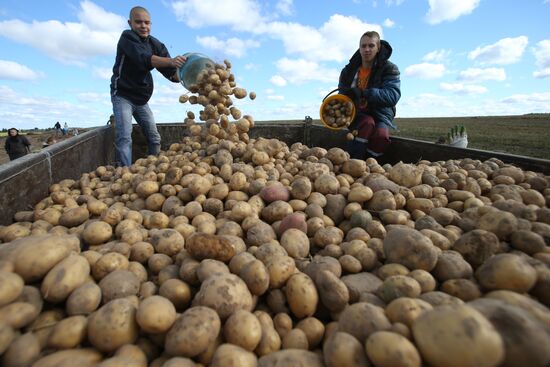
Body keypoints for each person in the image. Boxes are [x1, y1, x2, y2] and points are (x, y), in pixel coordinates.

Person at [110, 6, 187, 167]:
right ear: (130, 23)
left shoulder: (155, 44)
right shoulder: (127, 38)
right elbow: (144, 58)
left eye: (147, 23)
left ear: (151, 24)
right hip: (123, 95)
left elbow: (171, 72)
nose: (143, 26)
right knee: (124, 137)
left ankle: (155, 168)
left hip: (141, 99)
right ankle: (122, 173)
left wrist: (189, 79)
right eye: (138, 22)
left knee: (155, 138)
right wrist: (172, 61)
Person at [339, 31, 401, 162]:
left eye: (371, 46)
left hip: (380, 113)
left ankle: (371, 163)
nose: (367, 49)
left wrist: (365, 93)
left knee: (381, 136)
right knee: (367, 123)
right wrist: (348, 96)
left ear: (378, 48)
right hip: (357, 112)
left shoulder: (389, 68)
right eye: (363, 46)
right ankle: (355, 162)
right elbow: (341, 96)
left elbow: (392, 96)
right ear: (359, 48)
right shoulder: (348, 71)